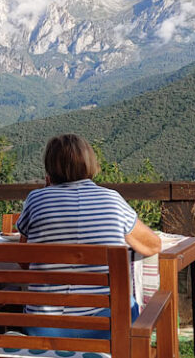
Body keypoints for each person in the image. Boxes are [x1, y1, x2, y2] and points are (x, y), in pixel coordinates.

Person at [16, 133, 162, 339]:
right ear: (90, 164)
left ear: (49, 169)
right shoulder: (112, 199)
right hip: (106, 328)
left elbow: (24, 261)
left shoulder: (36, 199)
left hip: (43, 327)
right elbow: (153, 245)